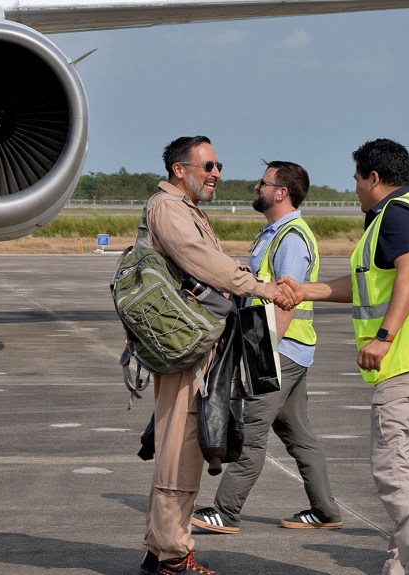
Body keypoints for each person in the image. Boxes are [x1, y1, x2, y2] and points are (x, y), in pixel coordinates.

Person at [282, 138, 409, 575]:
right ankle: (403, 564)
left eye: (357, 178)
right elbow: (365, 286)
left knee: (391, 468)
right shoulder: (397, 216)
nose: (355, 187)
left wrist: (383, 336)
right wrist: (309, 290)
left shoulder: (396, 214)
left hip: (405, 360)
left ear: (374, 178)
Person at [138, 136, 295, 575]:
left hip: (196, 343)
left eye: (217, 165)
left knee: (188, 444)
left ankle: (159, 551)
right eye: (207, 165)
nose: (216, 173)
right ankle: (172, 558)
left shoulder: (184, 208)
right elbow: (201, 261)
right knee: (181, 449)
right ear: (179, 169)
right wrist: (261, 286)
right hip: (185, 347)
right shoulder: (168, 209)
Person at [190, 160, 343, 534]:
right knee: (298, 434)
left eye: (263, 182)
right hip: (286, 349)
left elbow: (285, 301)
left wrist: (261, 357)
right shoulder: (274, 233)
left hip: (278, 350)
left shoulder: (291, 236)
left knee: (251, 432)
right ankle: (325, 510)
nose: (256, 187)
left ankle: (226, 511)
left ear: (281, 192)